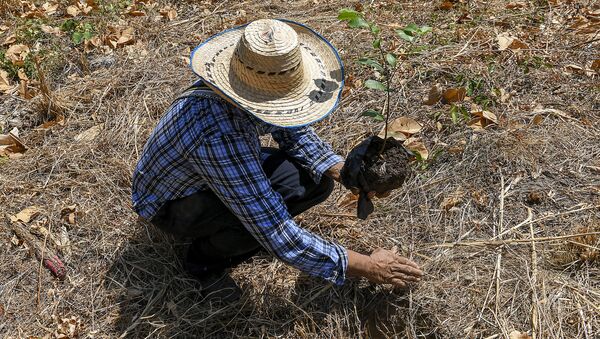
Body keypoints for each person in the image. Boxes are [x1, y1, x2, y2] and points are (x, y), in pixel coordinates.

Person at [131, 19, 423, 302]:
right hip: (172, 203)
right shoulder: (219, 135)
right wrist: (367, 266)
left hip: (207, 171)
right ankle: (203, 262)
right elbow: (277, 232)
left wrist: (341, 171)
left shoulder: (245, 83)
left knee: (314, 180)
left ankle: (235, 234)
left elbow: (289, 128)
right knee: (257, 224)